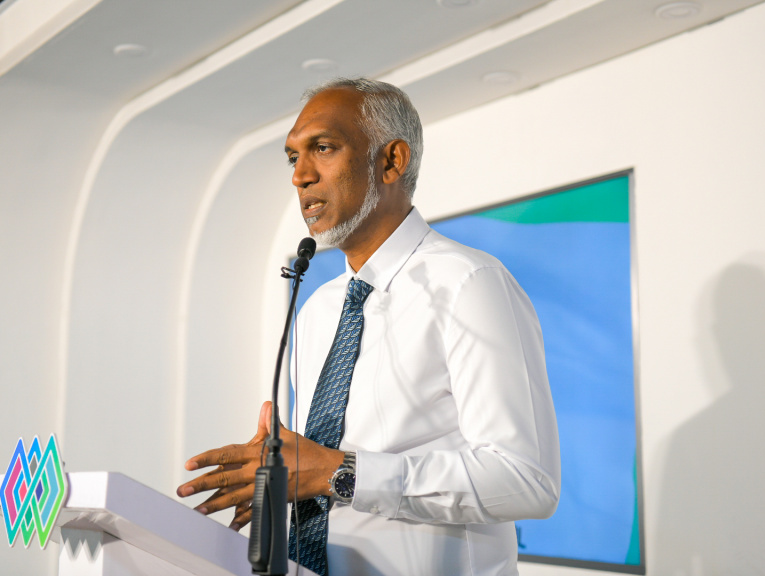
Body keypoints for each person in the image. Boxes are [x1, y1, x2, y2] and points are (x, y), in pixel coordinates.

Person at [177, 78, 560, 575]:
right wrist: (281, 479)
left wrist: (338, 473)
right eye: (293, 157)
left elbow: (526, 479)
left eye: (323, 148)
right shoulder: (317, 309)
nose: (300, 176)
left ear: (391, 161)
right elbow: (321, 474)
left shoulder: (469, 283)